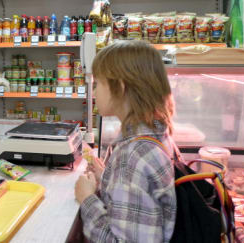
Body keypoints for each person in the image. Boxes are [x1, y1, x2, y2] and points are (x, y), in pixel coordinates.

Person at [74, 40, 178, 242]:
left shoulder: (131, 157)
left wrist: (86, 199)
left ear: (119, 87)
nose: (93, 92)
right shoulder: (154, 134)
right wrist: (107, 176)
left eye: (98, 84)